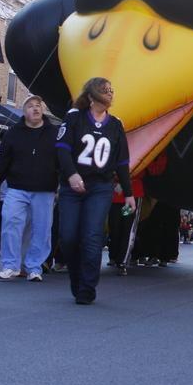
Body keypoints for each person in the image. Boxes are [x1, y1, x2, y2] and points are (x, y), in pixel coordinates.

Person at [56, 77, 135, 305]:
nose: (110, 93)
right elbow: (61, 149)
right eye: (104, 90)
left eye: (111, 89)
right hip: (72, 186)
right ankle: (76, 277)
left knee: (92, 236)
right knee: (69, 237)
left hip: (100, 187)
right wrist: (71, 174)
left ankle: (87, 287)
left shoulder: (116, 124)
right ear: (91, 97)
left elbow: (122, 162)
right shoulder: (74, 118)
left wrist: (128, 193)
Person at [0, 95, 59, 282]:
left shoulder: (53, 132)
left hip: (45, 189)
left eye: (38, 105)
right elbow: (3, 162)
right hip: (17, 187)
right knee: (10, 222)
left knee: (42, 229)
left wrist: (60, 184)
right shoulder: (13, 133)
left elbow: (61, 160)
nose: (36, 109)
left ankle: (34, 266)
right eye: (31, 106)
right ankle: (10, 265)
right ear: (24, 111)